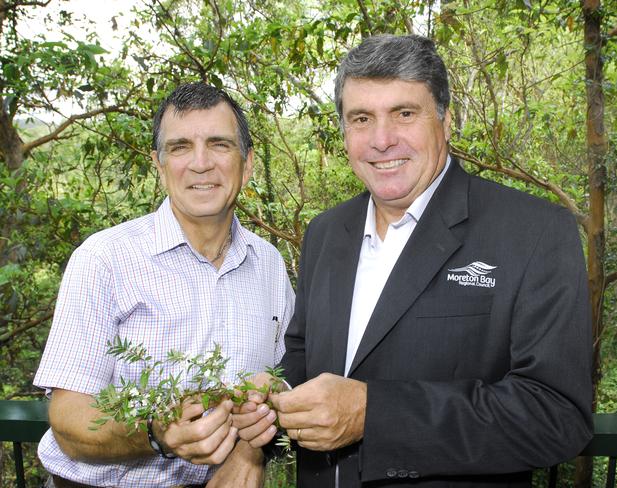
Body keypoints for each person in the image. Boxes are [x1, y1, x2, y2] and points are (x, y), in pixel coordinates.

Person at [234, 34, 593, 487]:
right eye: (361, 118)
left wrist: (374, 415)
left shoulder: (534, 231)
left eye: (404, 113)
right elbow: (305, 353)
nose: (382, 140)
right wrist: (277, 393)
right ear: (344, 132)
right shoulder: (326, 232)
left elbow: (556, 416)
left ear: (444, 120)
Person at [34, 82, 295, 488]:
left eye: (219, 144)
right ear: (159, 164)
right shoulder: (104, 259)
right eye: (180, 147)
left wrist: (250, 450)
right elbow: (68, 421)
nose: (200, 163)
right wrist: (157, 434)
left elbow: (280, 383)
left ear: (248, 163)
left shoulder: (270, 267)